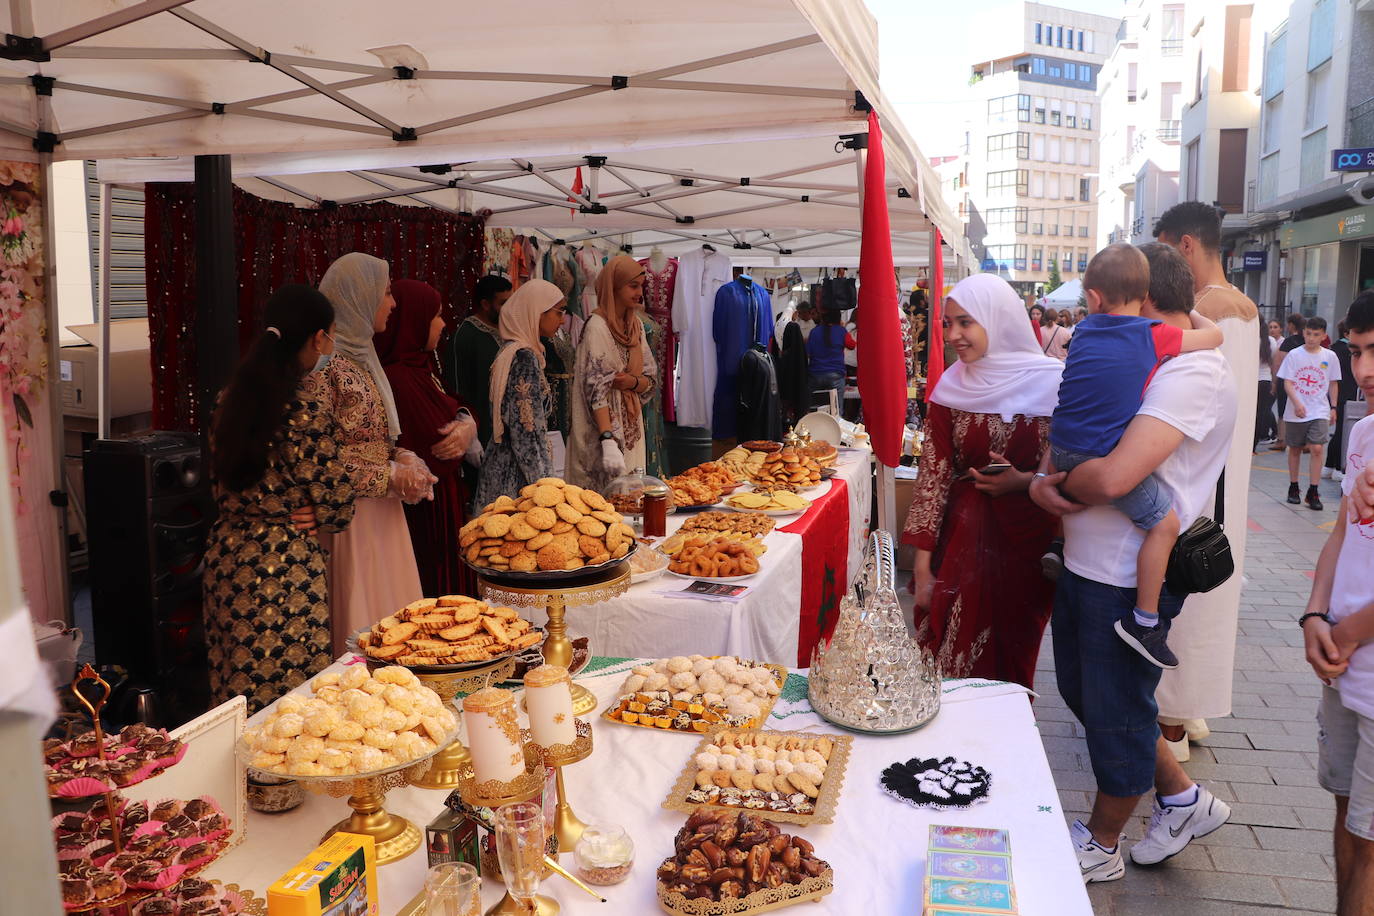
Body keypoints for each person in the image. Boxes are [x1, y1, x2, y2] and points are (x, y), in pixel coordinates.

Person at [1030, 257, 1237, 884]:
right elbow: (1076, 418)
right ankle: (1181, 800)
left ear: (1143, 301)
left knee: (1117, 710)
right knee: (1084, 692)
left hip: (1125, 575)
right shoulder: (1149, 349)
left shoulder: (1194, 371)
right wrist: (1042, 482)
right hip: (1088, 563)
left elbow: (1116, 477)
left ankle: (1102, 841)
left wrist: (1050, 480)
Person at [1047, 243, 1223, 670]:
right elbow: (1215, 335)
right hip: (1098, 457)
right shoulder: (1153, 338)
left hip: (1058, 449)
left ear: (1091, 298)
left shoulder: (1082, 332)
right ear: (1145, 297)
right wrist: (1194, 310)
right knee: (1164, 524)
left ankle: (1056, 541)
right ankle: (1145, 621)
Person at [902, 274, 1063, 689]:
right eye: (948, 323)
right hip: (961, 541)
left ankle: (1006, 746)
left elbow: (1072, 466)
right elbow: (932, 477)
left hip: (1028, 546)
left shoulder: (1055, 382)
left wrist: (1023, 481)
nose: (953, 334)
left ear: (998, 319)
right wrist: (922, 569)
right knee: (948, 656)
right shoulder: (951, 386)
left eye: (965, 323)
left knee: (1014, 655)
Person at [204, 285, 357, 712]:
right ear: (315, 338)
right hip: (284, 567)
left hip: (228, 559)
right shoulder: (303, 411)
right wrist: (321, 510)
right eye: (327, 336)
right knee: (287, 707)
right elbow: (339, 502)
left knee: (234, 696)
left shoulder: (228, 400)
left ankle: (236, 780)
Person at [1153, 202, 1261, 757]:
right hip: (1225, 477)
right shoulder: (1241, 304)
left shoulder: (1208, 310)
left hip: (1199, 477)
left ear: (1187, 246)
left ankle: (1173, 722)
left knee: (1187, 600)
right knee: (1206, 597)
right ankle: (1188, 712)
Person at [319, 252, 435, 653]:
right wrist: (389, 475)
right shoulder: (325, 367)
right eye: (386, 292)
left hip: (383, 513)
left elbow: (373, 439)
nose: (393, 302)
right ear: (358, 297)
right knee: (365, 626)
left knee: (396, 622)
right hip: (352, 518)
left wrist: (402, 458)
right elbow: (320, 458)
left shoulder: (365, 360)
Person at [1299, 291, 1374, 916]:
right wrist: (1315, 615)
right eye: (1357, 352)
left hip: (1359, 656)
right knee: (1347, 813)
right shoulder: (1366, 430)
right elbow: (1345, 531)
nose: (1365, 370)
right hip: (1343, 660)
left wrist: (1345, 634)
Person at [375, 279, 480, 599]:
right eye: (435, 316)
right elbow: (436, 443)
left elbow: (452, 404)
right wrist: (463, 425)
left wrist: (467, 420)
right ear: (414, 321)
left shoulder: (420, 368)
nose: (443, 324)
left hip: (443, 502)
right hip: (426, 511)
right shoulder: (399, 378)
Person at [567, 255, 657, 491]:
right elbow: (596, 388)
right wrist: (607, 440)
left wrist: (630, 381)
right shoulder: (597, 326)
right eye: (633, 285)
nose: (640, 292)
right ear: (613, 287)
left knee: (631, 499)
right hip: (601, 432)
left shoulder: (635, 326)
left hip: (631, 429)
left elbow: (651, 380)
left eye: (641, 286)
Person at [476, 279, 565, 505]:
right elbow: (527, 432)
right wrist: (546, 488)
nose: (562, 320)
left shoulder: (512, 351)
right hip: (516, 478)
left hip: (504, 465)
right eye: (558, 312)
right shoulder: (523, 358)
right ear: (536, 312)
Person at [1279, 316, 1342, 510]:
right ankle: (1294, 486)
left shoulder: (1330, 357)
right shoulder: (1294, 355)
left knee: (1317, 448)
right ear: (1303, 332)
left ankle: (1313, 490)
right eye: (1308, 333)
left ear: (1323, 335)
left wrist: (1333, 407)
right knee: (1295, 448)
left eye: (1316, 335)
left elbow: (1333, 383)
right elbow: (1287, 382)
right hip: (1296, 410)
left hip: (1319, 409)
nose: (1311, 338)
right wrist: (1297, 403)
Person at [449, 275, 514, 447]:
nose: (509, 309)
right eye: (503, 303)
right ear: (485, 304)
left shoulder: (509, 330)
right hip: (482, 434)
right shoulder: (466, 335)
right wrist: (470, 437)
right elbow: (457, 388)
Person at [806, 308, 854, 410]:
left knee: (814, 409)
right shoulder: (841, 331)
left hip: (815, 375)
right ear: (838, 318)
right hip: (836, 375)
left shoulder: (814, 332)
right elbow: (852, 345)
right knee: (836, 410)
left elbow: (808, 353)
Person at [1327, 320, 1357, 479]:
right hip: (1347, 395)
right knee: (1343, 433)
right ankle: (1338, 467)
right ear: (1347, 333)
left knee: (1338, 432)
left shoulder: (1333, 349)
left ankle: (1328, 465)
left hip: (1336, 395)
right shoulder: (1348, 351)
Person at [1273, 312, 1307, 450]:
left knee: (1282, 409)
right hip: (1303, 380)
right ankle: (1303, 440)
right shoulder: (1306, 342)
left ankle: (1282, 439)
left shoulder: (1288, 342)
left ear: (1292, 325)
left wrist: (1274, 381)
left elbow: (1278, 362)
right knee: (1303, 407)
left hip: (1286, 379)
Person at [1256, 320, 1277, 449]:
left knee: (1250, 414)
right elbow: (1273, 364)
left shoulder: (1250, 339)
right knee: (1261, 414)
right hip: (1266, 380)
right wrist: (1274, 382)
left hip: (1251, 381)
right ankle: (1255, 443)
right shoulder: (1271, 341)